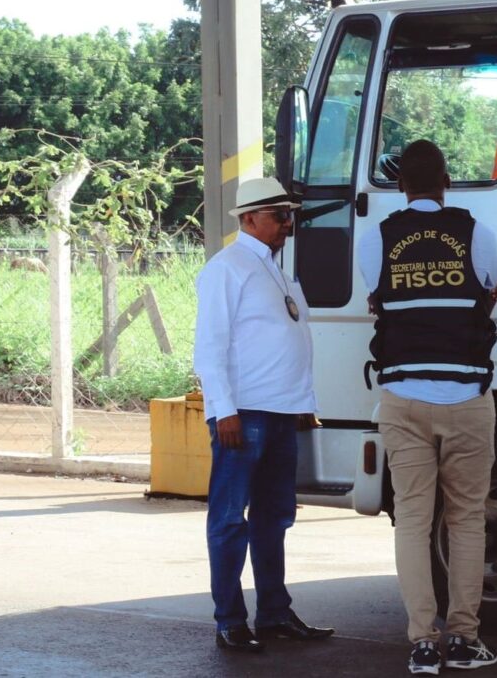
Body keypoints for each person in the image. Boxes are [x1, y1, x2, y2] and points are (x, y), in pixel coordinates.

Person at [357, 140, 497, 675]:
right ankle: (465, 639)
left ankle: (423, 643)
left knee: (413, 523)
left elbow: (377, 299)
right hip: (467, 398)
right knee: (466, 520)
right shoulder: (477, 232)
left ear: (401, 187)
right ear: (446, 183)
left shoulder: (377, 238)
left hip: (403, 398)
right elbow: (489, 291)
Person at [193, 177, 335, 653]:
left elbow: (293, 339)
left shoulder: (276, 268)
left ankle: (273, 613)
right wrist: (223, 410)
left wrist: (303, 405)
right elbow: (209, 347)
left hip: (279, 411)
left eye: (289, 215)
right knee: (231, 519)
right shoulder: (227, 268)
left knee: (275, 516)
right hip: (244, 412)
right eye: (278, 215)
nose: (288, 224)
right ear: (248, 218)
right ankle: (230, 620)